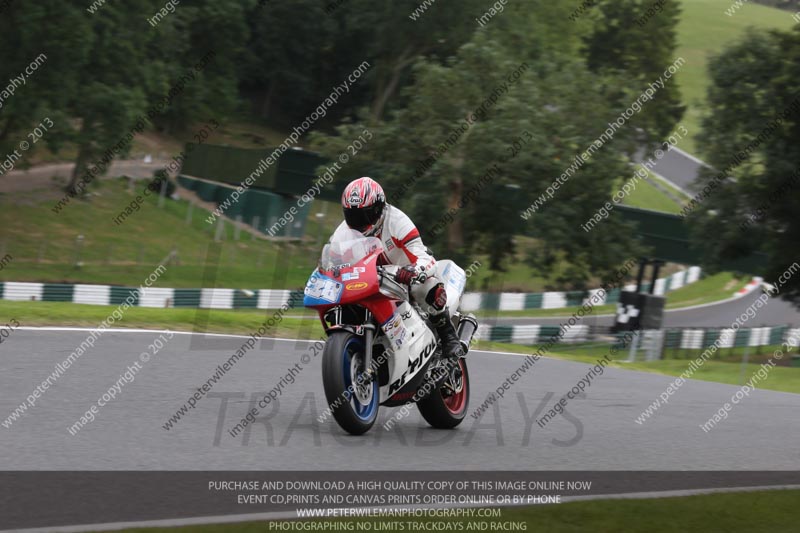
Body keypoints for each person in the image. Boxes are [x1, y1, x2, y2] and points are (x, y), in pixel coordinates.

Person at [334, 176, 464, 360]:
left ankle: (448, 336)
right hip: (368, 280)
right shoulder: (342, 233)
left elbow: (424, 257)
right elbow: (332, 263)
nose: (359, 222)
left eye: (365, 215)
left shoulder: (397, 221)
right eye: (352, 216)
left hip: (402, 276)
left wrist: (415, 271)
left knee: (426, 287)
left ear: (379, 209)